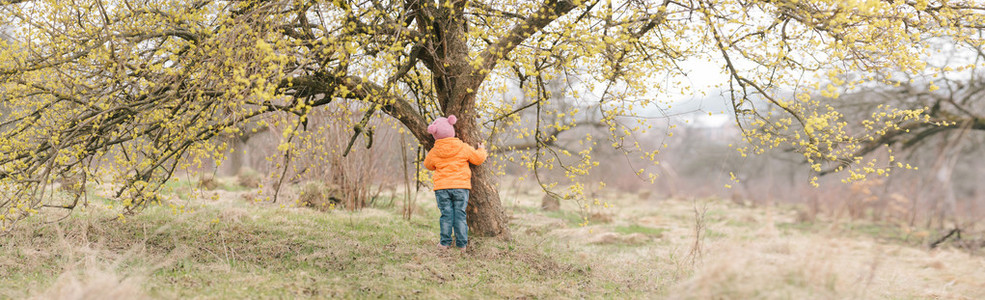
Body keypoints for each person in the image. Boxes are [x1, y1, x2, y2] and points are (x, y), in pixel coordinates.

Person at [423, 115, 486, 253]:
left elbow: (428, 165)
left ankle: (444, 243)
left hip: (442, 188)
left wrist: (438, 165)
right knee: (460, 215)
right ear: (451, 127)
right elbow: (478, 159)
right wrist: (481, 149)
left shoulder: (435, 151)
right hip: (460, 187)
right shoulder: (462, 147)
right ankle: (462, 245)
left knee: (446, 215)